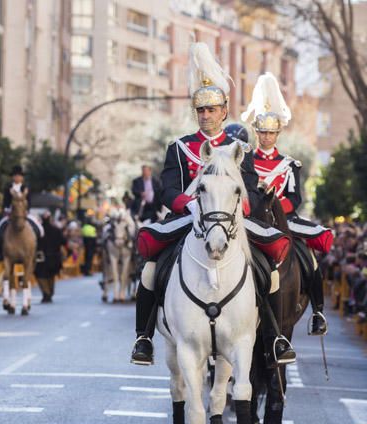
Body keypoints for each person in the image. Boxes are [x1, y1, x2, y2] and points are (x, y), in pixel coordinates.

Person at [131, 42, 294, 368]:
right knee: (150, 269)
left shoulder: (239, 150)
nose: (206, 116)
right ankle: (144, 337)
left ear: (224, 111)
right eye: (201, 111)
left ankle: (276, 337)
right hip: (189, 217)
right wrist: (186, 204)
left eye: (212, 110)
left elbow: (249, 190)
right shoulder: (179, 147)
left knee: (270, 270)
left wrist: (240, 208)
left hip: (229, 220)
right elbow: (167, 189)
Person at [241, 72, 333, 335]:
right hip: (254, 219)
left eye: (271, 133)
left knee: (309, 259)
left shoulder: (290, 164)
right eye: (262, 132)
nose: (266, 137)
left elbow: (296, 198)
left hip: (284, 220)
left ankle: (317, 311)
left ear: (278, 132)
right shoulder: (246, 161)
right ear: (256, 132)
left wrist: (278, 207)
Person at [0, 165, 44, 261]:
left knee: (40, 230)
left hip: (24, 213)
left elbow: (29, 202)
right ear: (13, 177)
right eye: (15, 176)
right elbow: (5, 202)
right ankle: (0, 254)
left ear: (22, 177)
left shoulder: (26, 188)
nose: (17, 178)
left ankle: (38, 252)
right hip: (11, 214)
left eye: (19, 176)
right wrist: (6, 210)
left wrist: (26, 210)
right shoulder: (8, 188)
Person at [35, 211, 66, 302]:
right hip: (54, 257)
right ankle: (49, 292)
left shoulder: (38, 232)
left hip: (41, 257)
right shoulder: (56, 230)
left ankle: (46, 293)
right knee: (51, 275)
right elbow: (63, 242)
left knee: (40, 275)